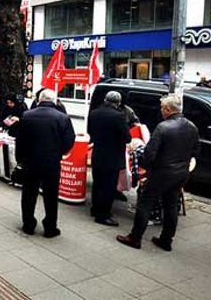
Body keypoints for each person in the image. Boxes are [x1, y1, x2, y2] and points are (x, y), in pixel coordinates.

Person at [117, 95, 199, 251]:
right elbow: (196, 151)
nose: (161, 110)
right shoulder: (192, 127)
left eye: (162, 108)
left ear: (168, 109)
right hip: (180, 173)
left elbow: (149, 155)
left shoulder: (163, 127)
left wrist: (143, 166)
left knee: (145, 203)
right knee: (171, 205)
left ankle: (135, 238)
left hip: (162, 173)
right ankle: (166, 240)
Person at [16, 89, 75, 238]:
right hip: (51, 162)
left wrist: (20, 159)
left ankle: (28, 224)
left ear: (39, 100)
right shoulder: (63, 118)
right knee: (51, 196)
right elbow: (69, 141)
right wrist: (58, 152)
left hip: (30, 162)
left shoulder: (27, 116)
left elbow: (20, 140)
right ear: (54, 101)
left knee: (29, 194)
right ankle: (50, 227)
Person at [87, 91, 131, 226]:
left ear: (105, 100)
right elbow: (127, 138)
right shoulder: (119, 116)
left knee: (98, 183)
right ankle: (103, 215)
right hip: (112, 157)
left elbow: (90, 131)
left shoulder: (94, 113)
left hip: (98, 154)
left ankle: (95, 209)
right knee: (109, 187)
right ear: (117, 103)